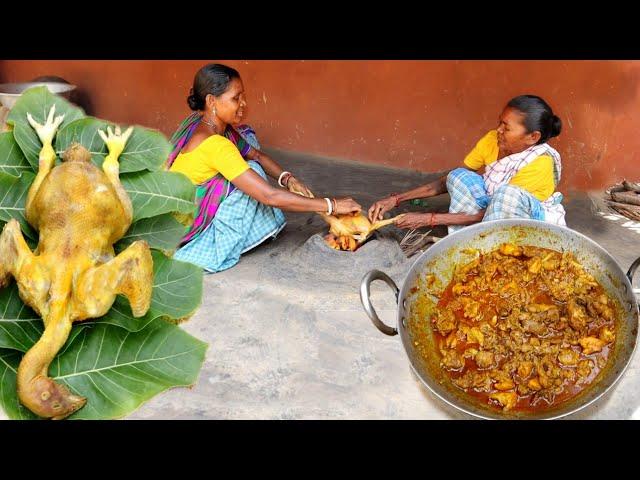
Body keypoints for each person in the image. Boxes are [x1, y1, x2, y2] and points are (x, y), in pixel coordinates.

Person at [168, 63, 361, 272]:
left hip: (174, 213)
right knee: (253, 174)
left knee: (249, 142)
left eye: (243, 96)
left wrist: (289, 179)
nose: (243, 104)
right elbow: (269, 196)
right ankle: (213, 246)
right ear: (211, 101)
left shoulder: (204, 125)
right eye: (235, 98)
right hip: (183, 226)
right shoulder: (216, 145)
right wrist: (331, 205)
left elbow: (256, 154)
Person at [368, 94, 565, 235]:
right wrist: (396, 200)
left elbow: (493, 212)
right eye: (500, 123)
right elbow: (450, 180)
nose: (498, 130)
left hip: (524, 220)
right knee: (459, 175)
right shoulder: (492, 140)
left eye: (506, 128)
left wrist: (428, 219)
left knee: (507, 196)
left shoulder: (540, 164)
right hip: (491, 209)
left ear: (532, 137)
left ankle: (487, 246)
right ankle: (469, 236)